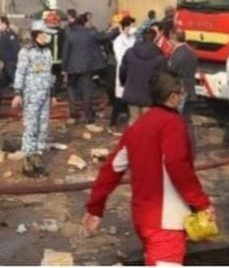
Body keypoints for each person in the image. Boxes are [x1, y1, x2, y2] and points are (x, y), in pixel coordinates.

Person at [84, 70, 213, 266]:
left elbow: (111, 169)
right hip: (167, 221)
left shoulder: (137, 126)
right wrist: (202, 203)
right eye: (181, 92)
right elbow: (178, 166)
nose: (183, 96)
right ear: (172, 96)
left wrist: (95, 207)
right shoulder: (173, 123)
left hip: (143, 218)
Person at [12, 22, 55, 177]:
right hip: (31, 95)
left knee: (43, 127)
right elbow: (20, 73)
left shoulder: (47, 52)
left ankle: (38, 157)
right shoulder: (26, 51)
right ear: (38, 34)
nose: (48, 36)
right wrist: (17, 93)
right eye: (46, 33)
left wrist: (53, 93)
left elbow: (50, 73)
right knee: (31, 127)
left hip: (45, 94)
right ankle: (28, 161)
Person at [63, 12, 112, 124]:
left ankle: (73, 115)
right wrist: (116, 31)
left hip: (71, 68)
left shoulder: (70, 33)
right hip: (86, 68)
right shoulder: (90, 33)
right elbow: (104, 38)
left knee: (71, 91)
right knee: (87, 92)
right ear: (85, 22)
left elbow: (65, 52)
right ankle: (88, 117)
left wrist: (64, 69)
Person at [120, 27, 166, 123]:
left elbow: (123, 70)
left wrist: (124, 83)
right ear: (155, 38)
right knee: (147, 123)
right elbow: (162, 78)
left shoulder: (130, 52)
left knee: (133, 120)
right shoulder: (159, 56)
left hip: (132, 90)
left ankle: (132, 138)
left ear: (142, 37)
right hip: (149, 93)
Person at [168, 29, 198, 149]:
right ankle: (191, 147)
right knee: (188, 121)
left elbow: (171, 70)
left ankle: (178, 146)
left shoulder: (177, 54)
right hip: (190, 89)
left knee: (176, 121)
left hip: (180, 92)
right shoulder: (191, 52)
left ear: (173, 39)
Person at [110, 16, 137, 129]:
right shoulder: (118, 41)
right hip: (123, 70)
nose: (133, 28)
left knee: (131, 97)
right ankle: (113, 122)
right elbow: (120, 57)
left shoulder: (134, 39)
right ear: (125, 27)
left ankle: (130, 119)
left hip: (133, 70)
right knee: (119, 98)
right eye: (131, 26)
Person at [0, 16, 20, 91]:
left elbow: (16, 48)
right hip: (5, 62)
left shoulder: (10, 34)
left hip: (10, 61)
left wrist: (14, 60)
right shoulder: (3, 34)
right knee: (3, 82)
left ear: (4, 24)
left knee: (14, 79)